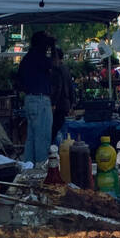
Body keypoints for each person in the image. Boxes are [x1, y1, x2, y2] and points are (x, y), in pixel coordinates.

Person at [16, 31, 53, 164]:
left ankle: (28, 169)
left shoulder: (27, 58)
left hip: (30, 99)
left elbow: (18, 80)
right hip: (40, 99)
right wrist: (52, 49)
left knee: (31, 138)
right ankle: (41, 172)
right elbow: (54, 66)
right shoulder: (40, 57)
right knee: (42, 138)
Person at [48, 45, 73, 141]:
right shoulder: (66, 69)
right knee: (61, 129)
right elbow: (70, 87)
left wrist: (53, 103)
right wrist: (71, 103)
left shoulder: (56, 69)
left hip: (59, 104)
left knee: (53, 131)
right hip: (66, 103)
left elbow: (58, 87)